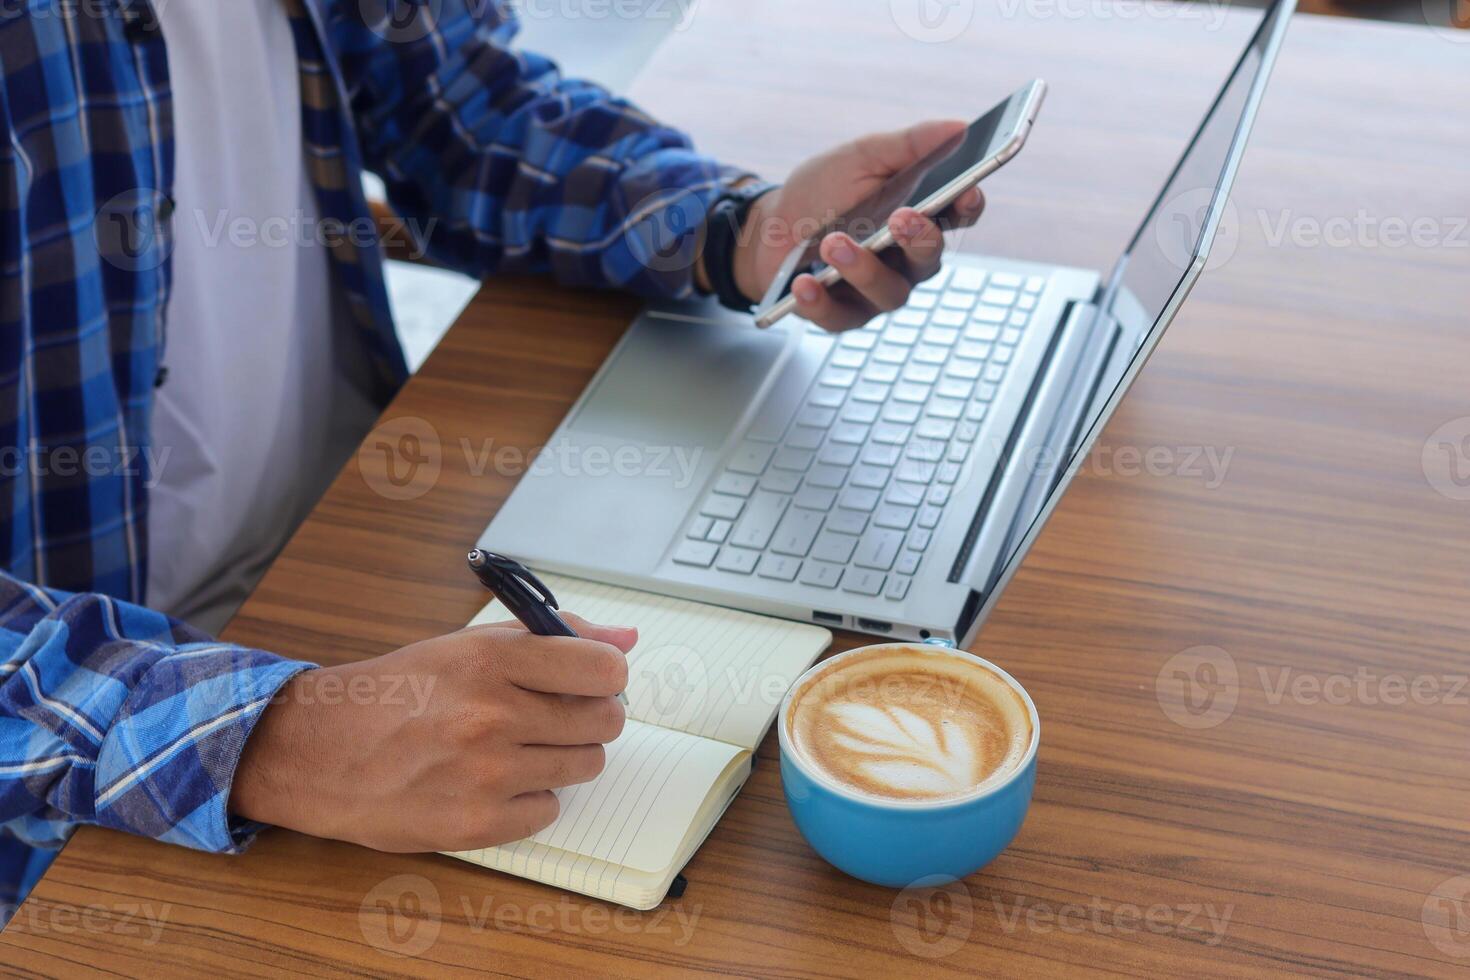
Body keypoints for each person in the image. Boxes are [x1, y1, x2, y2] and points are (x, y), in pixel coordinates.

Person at [0, 0, 985, 919]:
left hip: (361, 547)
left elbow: (456, 104)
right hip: (92, 751)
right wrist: (270, 738)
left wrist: (735, 231)